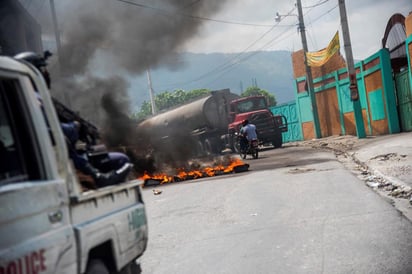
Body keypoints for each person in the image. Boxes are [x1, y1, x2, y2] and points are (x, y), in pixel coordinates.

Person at [14, 51, 133, 188]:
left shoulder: (31, 98)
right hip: (57, 159)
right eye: (42, 70)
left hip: (50, 158)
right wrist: (74, 126)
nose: (47, 73)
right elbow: (50, 130)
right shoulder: (35, 99)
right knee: (122, 160)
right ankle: (97, 176)